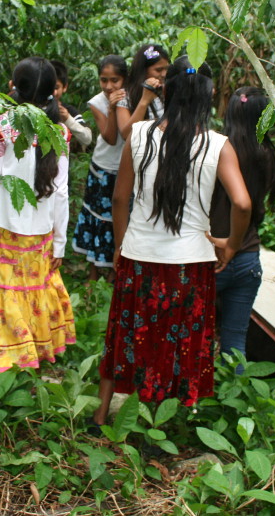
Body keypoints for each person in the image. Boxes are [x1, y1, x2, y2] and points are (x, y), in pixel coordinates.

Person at [92, 57, 251, 430]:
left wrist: (119, 244)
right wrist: (230, 245)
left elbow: (120, 199)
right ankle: (155, 426)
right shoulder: (217, 145)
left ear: (168, 90)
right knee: (171, 344)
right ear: (208, 97)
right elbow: (242, 202)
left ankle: (101, 415)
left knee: (124, 336)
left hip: (138, 256)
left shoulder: (141, 134)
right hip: (190, 265)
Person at [0, 57, 76, 373]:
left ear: (13, 87)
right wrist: (61, 243)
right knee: (36, 292)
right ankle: (35, 355)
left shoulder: (1, 128)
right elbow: (62, 192)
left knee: (9, 294)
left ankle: (13, 359)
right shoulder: (60, 132)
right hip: (44, 232)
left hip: (8, 230)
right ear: (53, 91)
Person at [208, 88, 275, 364]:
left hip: (214, 256)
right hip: (249, 258)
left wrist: (230, 245)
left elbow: (241, 204)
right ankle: (232, 403)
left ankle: (192, 402)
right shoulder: (268, 155)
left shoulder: (217, 152)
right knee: (235, 339)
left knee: (197, 333)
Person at [71, 55, 128, 280]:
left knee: (120, 220)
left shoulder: (133, 98)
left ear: (124, 79)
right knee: (98, 218)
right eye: (104, 80)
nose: (109, 86)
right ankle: (93, 273)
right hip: (104, 167)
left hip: (126, 168)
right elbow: (110, 137)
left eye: (115, 80)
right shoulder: (97, 103)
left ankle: (116, 272)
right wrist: (113, 109)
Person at [115, 44, 170, 141]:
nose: (164, 74)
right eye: (158, 70)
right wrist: (144, 100)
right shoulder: (125, 96)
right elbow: (126, 135)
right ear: (143, 70)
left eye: (166, 69)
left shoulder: (167, 91)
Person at [51, 60, 92, 149]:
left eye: (56, 87)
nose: (53, 92)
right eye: (49, 87)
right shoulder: (34, 109)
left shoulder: (69, 111)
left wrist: (68, 119)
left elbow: (87, 139)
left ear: (64, 87)